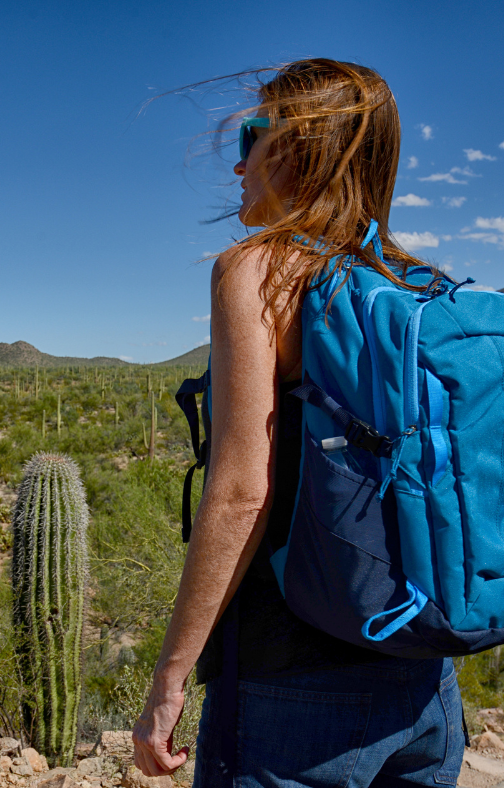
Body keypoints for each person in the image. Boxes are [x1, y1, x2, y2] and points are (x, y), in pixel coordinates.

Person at [131, 59, 466, 788]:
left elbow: (241, 493)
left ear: (300, 148)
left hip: (290, 689)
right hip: (425, 680)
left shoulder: (255, 269)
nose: (240, 164)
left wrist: (168, 685)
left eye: (253, 136)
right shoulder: (412, 282)